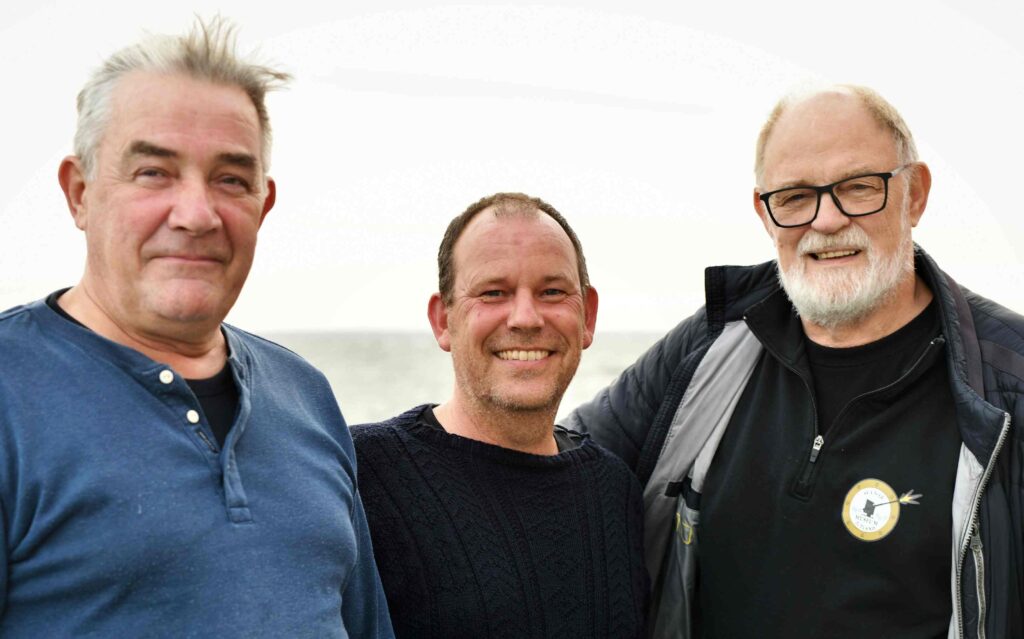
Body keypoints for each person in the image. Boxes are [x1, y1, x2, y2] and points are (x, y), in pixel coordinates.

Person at [566, 86, 1024, 638]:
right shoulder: (712, 347)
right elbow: (565, 472)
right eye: (795, 197)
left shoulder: (1008, 380)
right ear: (765, 213)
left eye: (859, 187)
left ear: (916, 195)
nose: (826, 221)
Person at [0, 18, 392, 637]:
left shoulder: (306, 396)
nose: (196, 214)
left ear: (263, 205)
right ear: (79, 192)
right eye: (154, 172)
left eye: (230, 179)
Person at [352, 193, 649, 638]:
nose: (526, 318)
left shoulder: (614, 491)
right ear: (442, 320)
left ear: (587, 316)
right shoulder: (362, 474)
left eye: (552, 292)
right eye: (494, 293)